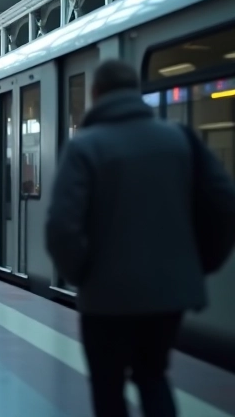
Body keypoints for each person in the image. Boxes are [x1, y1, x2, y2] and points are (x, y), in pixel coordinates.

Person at [45, 60, 235, 417]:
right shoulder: (181, 139)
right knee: (153, 376)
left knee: (108, 385)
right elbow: (225, 204)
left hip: (105, 298)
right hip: (168, 294)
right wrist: (199, 264)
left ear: (95, 94)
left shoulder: (84, 147)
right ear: (136, 91)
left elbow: (61, 225)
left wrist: (82, 274)